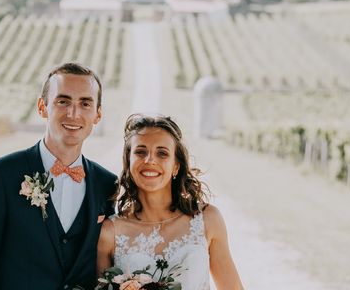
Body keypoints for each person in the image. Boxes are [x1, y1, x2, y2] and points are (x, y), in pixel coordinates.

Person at [0, 62, 118, 290]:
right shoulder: (0, 176)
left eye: (85, 103)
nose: (74, 113)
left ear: (98, 114)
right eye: (63, 101)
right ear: (42, 107)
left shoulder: (107, 184)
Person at [97, 113, 244, 290]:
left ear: (176, 166)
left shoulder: (208, 219)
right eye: (140, 152)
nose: (150, 160)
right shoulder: (109, 233)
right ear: (128, 163)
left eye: (162, 153)